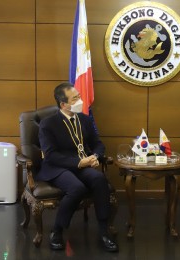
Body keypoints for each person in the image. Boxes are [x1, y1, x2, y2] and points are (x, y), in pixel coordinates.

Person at [37, 82, 118, 252]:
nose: (80, 100)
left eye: (79, 96)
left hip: (83, 165)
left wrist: (95, 157)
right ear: (63, 104)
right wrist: (78, 162)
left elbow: (98, 144)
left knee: (99, 179)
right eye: (75, 99)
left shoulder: (85, 120)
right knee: (76, 188)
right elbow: (51, 155)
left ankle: (104, 231)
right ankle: (57, 230)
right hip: (57, 167)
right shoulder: (48, 124)